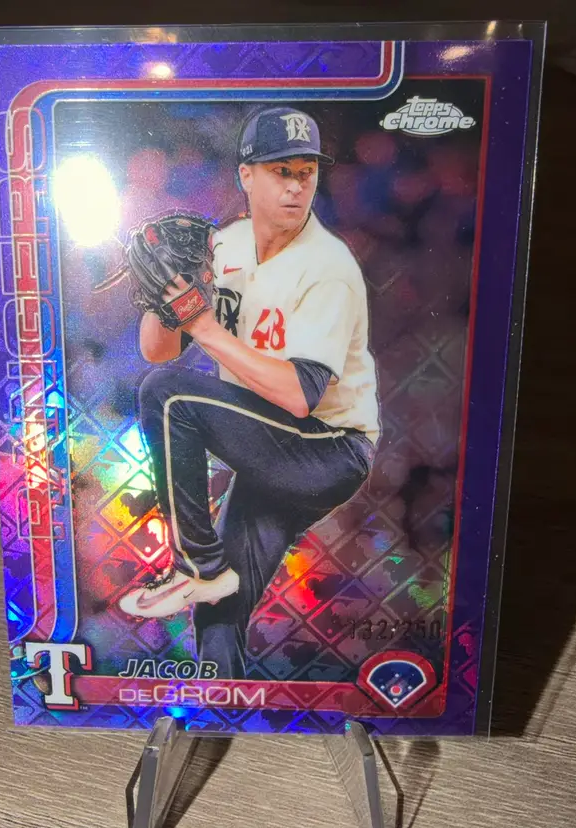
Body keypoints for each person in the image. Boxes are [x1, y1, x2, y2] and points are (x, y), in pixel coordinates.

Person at [119, 106, 381, 679]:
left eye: (305, 172)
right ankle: (223, 701)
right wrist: (162, 295)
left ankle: (197, 564)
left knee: (170, 397)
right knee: (219, 610)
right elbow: (159, 351)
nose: (295, 185)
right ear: (246, 175)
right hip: (273, 445)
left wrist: (204, 325)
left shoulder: (326, 267)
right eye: (280, 170)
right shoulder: (226, 245)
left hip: (328, 447)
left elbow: (301, 396)